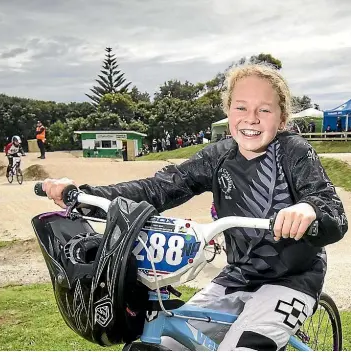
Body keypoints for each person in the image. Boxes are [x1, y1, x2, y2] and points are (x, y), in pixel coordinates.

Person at [42, 64, 347, 351]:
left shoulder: (294, 151)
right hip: (237, 276)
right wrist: (84, 195)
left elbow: (328, 203)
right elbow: (159, 187)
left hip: (294, 279)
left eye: (264, 110)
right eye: (241, 107)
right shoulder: (219, 156)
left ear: (281, 119)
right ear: (228, 111)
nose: (251, 118)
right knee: (168, 339)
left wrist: (309, 210)